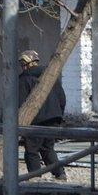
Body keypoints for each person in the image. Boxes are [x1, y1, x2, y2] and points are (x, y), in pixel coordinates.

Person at [17, 50, 67, 180]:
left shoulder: (24, 79)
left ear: (26, 64)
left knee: (32, 150)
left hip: (35, 120)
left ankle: (35, 177)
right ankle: (60, 173)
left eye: (23, 63)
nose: (22, 67)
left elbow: (20, 103)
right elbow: (62, 98)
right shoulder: (50, 77)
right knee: (48, 148)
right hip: (53, 118)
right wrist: (59, 116)